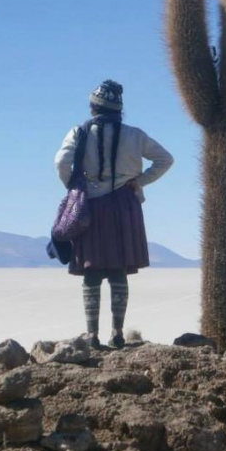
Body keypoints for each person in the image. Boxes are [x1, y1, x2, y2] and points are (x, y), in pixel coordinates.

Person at [55, 79, 173, 349]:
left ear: (93, 107)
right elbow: (165, 159)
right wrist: (140, 181)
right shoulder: (135, 135)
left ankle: (91, 335)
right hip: (124, 204)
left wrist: (74, 187)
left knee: (92, 269)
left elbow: (61, 162)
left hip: (90, 206)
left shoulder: (79, 132)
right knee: (118, 268)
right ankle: (117, 332)